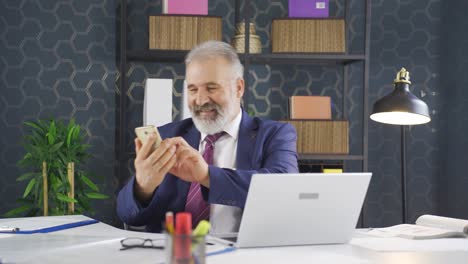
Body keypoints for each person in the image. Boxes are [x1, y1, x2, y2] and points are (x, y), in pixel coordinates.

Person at [117, 40, 298, 233]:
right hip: (176, 255)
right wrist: (143, 186)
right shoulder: (167, 136)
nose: (201, 100)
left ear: (239, 88)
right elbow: (127, 215)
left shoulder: (275, 134)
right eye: (193, 89)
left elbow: (283, 189)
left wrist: (206, 176)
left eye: (211, 88)